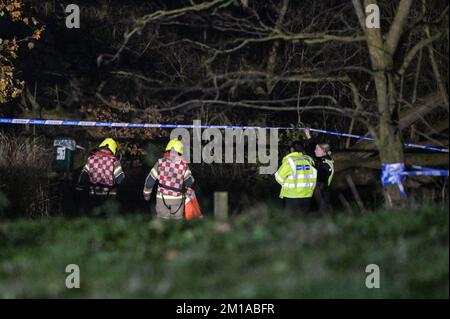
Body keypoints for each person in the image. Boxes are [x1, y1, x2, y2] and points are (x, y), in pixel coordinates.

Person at [143, 139, 194, 220]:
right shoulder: (184, 165)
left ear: (168, 150)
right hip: (177, 199)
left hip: (162, 198)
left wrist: (147, 194)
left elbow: (150, 181)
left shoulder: (160, 163)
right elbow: (189, 181)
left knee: (162, 222)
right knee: (177, 224)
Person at [76, 138, 125, 206]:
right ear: (113, 149)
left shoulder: (91, 159)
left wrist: (79, 189)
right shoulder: (115, 162)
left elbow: (83, 177)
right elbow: (120, 180)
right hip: (110, 195)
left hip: (93, 193)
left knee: (94, 214)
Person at [274, 141, 317, 213]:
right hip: (307, 195)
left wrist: (287, 185)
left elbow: (278, 177)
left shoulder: (290, 161)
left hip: (292, 196)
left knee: (292, 221)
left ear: (292, 149)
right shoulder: (309, 160)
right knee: (304, 220)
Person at [304, 128, 334, 212]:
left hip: (322, 188)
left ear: (323, 151)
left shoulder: (324, 163)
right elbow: (314, 146)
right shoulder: (326, 158)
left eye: (317, 150)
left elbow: (323, 176)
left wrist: (317, 186)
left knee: (323, 209)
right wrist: (308, 135)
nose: (314, 150)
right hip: (324, 188)